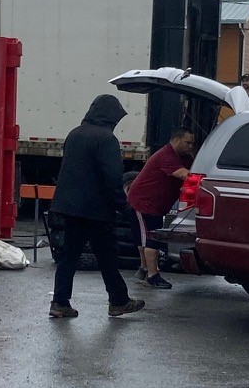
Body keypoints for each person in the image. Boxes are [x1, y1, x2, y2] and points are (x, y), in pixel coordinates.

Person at [50, 94, 147, 321]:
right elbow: (112, 176)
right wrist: (121, 204)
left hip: (70, 207)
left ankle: (60, 302)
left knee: (68, 257)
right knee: (107, 256)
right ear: (110, 116)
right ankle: (118, 301)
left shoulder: (75, 134)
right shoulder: (106, 139)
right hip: (96, 210)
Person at [126, 128, 197, 289]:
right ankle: (152, 276)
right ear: (176, 140)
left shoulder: (183, 157)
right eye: (187, 142)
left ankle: (144, 269)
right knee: (151, 240)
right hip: (144, 203)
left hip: (154, 205)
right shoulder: (167, 155)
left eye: (192, 143)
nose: (190, 146)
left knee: (146, 238)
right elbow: (185, 175)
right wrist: (209, 179)